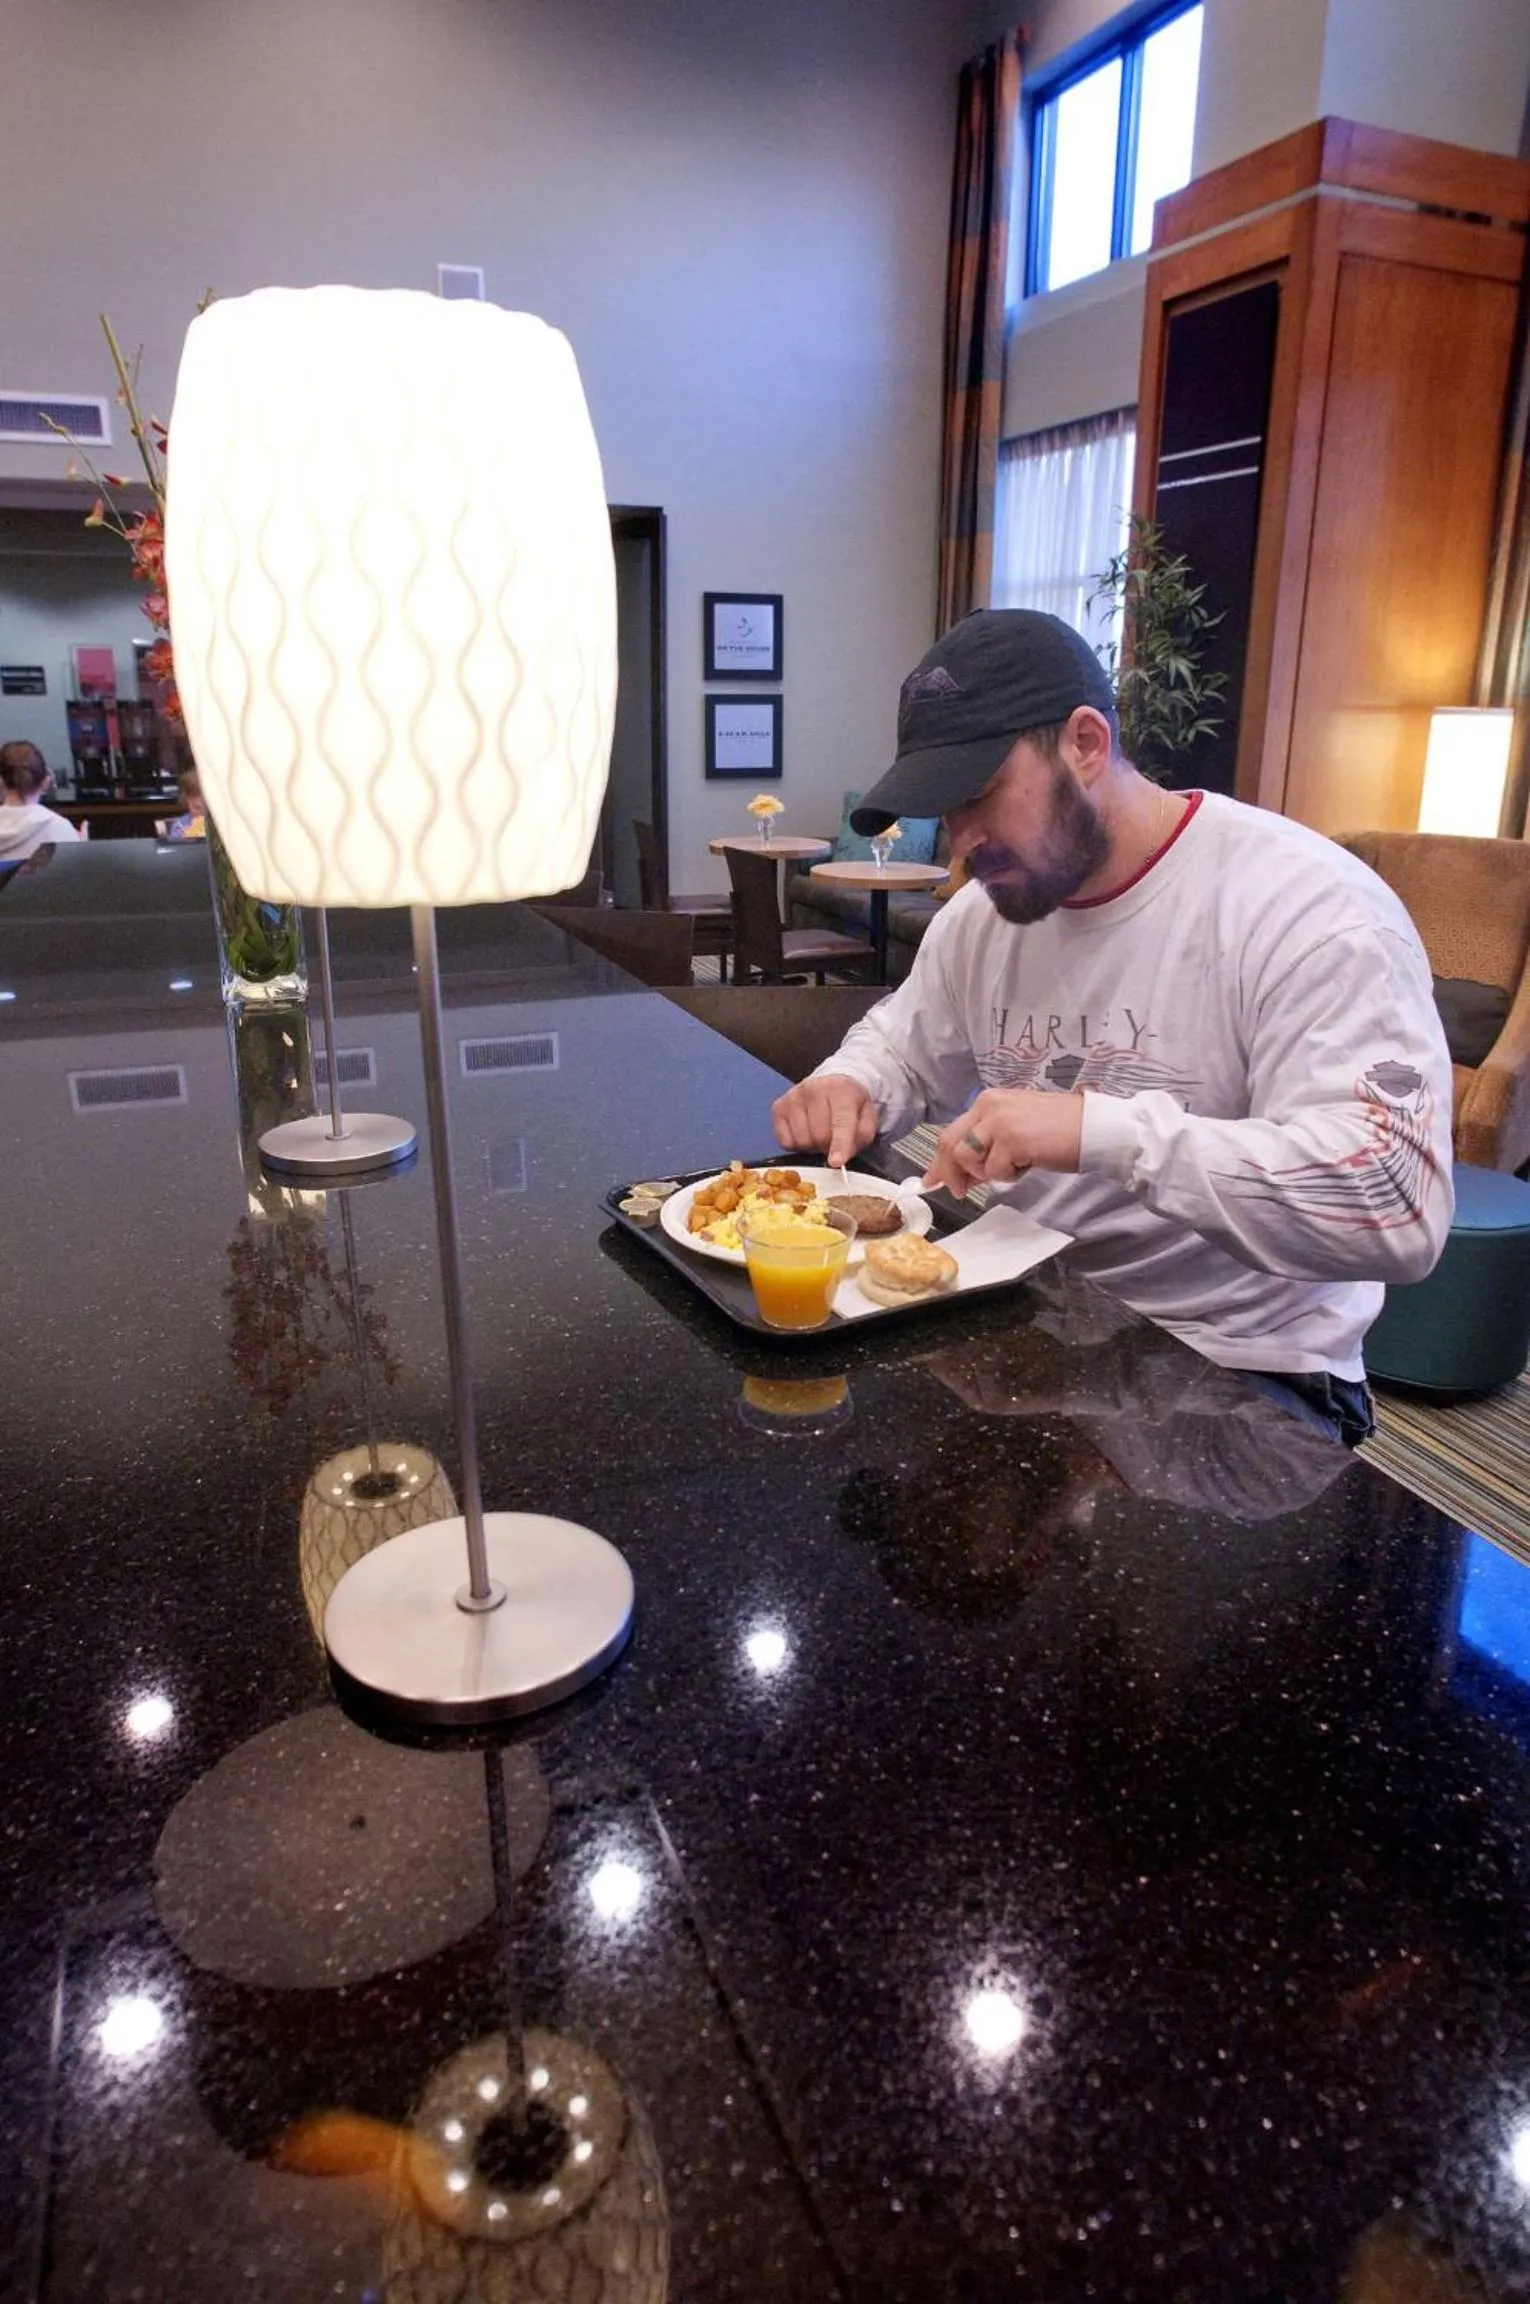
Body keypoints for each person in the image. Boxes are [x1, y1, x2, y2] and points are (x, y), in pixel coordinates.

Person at [772, 609, 1455, 1444]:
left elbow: (1394, 1206)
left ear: (1087, 744)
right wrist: (854, 1081)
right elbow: (903, 1045)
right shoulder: (983, 917)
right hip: (1025, 1316)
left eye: (979, 796)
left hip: (1247, 1377)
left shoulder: (1312, 912)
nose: (963, 845)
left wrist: (1106, 1132)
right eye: (945, 813)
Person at [0, 741, 84, 860]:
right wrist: (82, 848)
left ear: (1, 782)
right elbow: (73, 873)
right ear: (46, 782)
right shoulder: (60, 828)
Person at [165, 762, 207, 839]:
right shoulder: (180, 826)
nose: (202, 812)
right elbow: (176, 848)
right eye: (196, 807)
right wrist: (183, 841)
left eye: (208, 809)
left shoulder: (221, 825)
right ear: (186, 801)